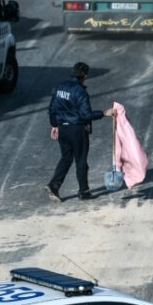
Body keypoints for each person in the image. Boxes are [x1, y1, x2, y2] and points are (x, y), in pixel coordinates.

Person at [45, 62, 116, 202]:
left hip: (63, 129)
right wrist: (103, 113)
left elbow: (52, 109)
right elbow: (85, 115)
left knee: (66, 158)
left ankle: (54, 185)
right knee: (81, 161)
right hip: (76, 130)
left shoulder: (59, 87)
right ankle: (84, 192)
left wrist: (55, 125)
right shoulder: (80, 91)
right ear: (85, 75)